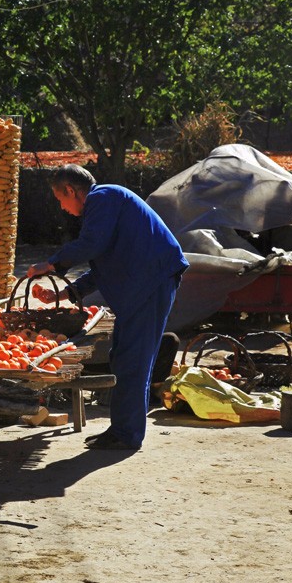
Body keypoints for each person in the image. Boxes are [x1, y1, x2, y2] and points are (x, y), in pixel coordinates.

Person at [28, 164, 188, 450]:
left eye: (60, 200)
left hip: (151, 283)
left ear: (70, 190)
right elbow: (103, 265)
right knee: (124, 357)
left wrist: (52, 264)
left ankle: (127, 435)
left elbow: (91, 244)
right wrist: (67, 292)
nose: (63, 208)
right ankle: (122, 429)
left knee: (132, 360)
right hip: (143, 284)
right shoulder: (107, 205)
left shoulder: (103, 198)